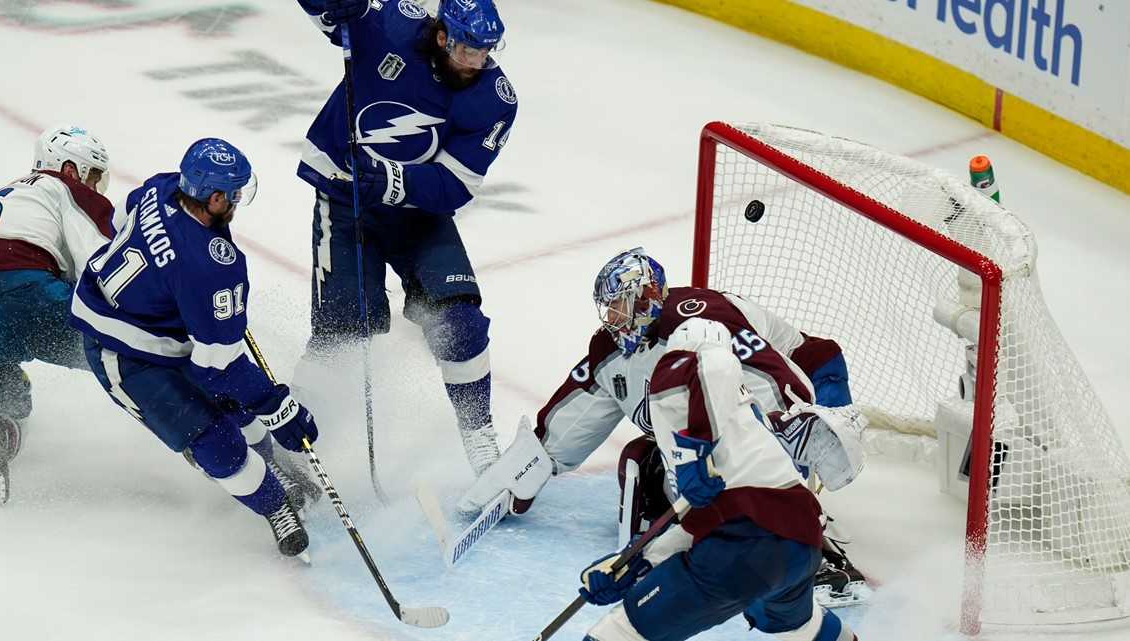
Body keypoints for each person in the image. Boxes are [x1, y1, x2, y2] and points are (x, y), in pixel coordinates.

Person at [460, 248, 869, 604]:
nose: (613, 318)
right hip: (749, 408)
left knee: (760, 458)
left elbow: (778, 384)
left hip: (812, 383)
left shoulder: (704, 322)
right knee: (644, 465)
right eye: (609, 308)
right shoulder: (611, 349)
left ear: (648, 299)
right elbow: (572, 419)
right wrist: (526, 469)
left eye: (621, 304)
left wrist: (786, 437)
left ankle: (820, 555)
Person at [294, 0, 518, 476]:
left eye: (485, 52)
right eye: (466, 51)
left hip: (418, 216)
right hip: (346, 206)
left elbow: (455, 185)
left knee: (460, 322)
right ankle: (296, 454)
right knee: (342, 336)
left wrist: (392, 180)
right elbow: (322, 11)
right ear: (442, 36)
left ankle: (479, 436)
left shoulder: (494, 99)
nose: (476, 63)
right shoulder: (390, 24)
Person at [68, 138, 319, 558]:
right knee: (213, 439)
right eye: (235, 193)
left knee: (234, 407)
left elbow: (123, 224)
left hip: (154, 320)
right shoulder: (208, 266)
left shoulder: (162, 187)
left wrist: (184, 297)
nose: (239, 200)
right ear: (215, 197)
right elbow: (217, 368)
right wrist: (278, 408)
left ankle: (271, 466)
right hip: (121, 351)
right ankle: (276, 507)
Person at [577, 317, 860, 641]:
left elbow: (708, 361)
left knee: (619, 632)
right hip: (801, 548)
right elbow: (699, 524)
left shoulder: (689, 370)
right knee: (804, 628)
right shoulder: (744, 424)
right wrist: (635, 564)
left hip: (744, 547)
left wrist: (690, 452)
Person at [0, 124, 115, 509]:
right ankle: (221, 431)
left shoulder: (5, 192)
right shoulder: (66, 188)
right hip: (27, 294)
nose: (95, 186)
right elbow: (107, 268)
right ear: (70, 169)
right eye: (93, 174)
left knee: (5, 387)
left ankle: (0, 426)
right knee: (136, 359)